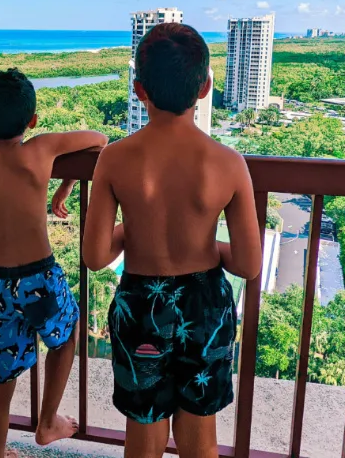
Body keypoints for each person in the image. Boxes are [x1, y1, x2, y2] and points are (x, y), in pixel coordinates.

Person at [81, 23, 263, 458]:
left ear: (140, 90)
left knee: (143, 430)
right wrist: (208, 245)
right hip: (206, 307)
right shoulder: (229, 163)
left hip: (141, 304)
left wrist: (135, 229)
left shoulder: (114, 158)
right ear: (204, 88)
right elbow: (249, 264)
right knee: (200, 434)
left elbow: (95, 255)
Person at [0, 68, 108, 458]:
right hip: (39, 277)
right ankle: (47, 420)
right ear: (32, 121)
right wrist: (65, 183)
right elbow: (99, 139)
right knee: (66, 337)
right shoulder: (41, 149)